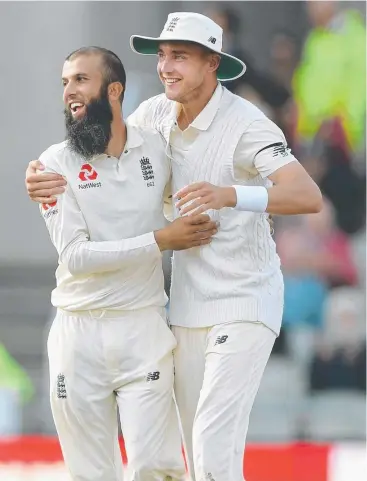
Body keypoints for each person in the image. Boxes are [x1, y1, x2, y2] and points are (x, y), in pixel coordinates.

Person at [26, 13, 323, 481]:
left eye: (179, 56)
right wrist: (43, 172)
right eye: (162, 55)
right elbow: (105, 156)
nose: (166, 66)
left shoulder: (246, 124)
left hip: (245, 298)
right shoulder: (153, 115)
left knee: (211, 441)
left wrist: (230, 194)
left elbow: (306, 195)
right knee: (185, 454)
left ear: (212, 63)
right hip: (184, 306)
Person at [26, 45, 218, 481]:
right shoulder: (55, 164)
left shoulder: (156, 150)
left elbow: (192, 197)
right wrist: (162, 239)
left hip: (142, 327)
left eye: (80, 80)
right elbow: (76, 257)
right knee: (91, 475)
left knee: (159, 468)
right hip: (79, 333)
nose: (69, 92)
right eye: (64, 83)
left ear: (114, 90)